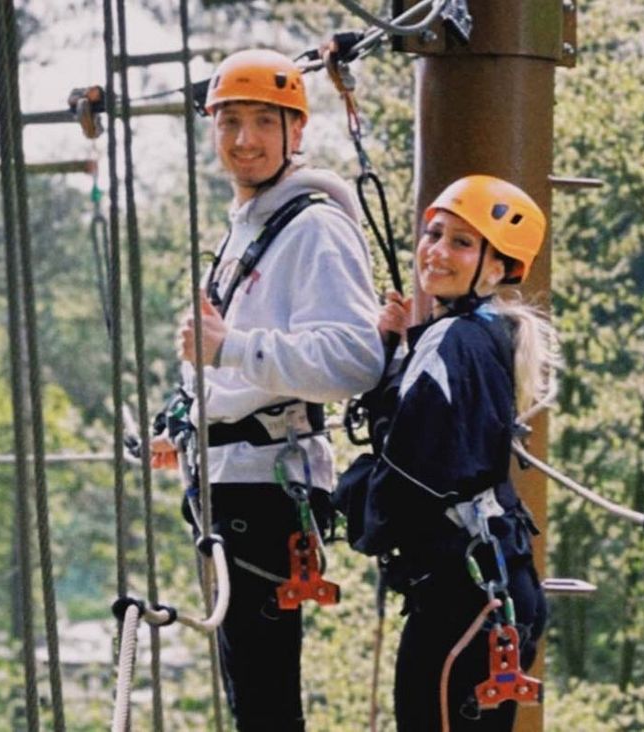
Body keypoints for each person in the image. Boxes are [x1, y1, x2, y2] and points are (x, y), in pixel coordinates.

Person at [152, 48, 384, 731]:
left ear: (296, 130)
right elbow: (235, 357)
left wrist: (230, 348)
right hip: (230, 478)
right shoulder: (251, 226)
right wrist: (186, 418)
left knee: (263, 697)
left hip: (267, 486)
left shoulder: (314, 228)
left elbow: (355, 360)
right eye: (229, 122)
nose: (244, 140)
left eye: (263, 121)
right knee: (250, 690)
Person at [334, 174, 558, 730]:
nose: (435, 251)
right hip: (488, 589)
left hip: (462, 598)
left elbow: (409, 475)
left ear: (498, 267)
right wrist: (399, 350)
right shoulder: (479, 333)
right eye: (433, 234)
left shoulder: (451, 340)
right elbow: (430, 432)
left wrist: (353, 507)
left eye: (461, 242)